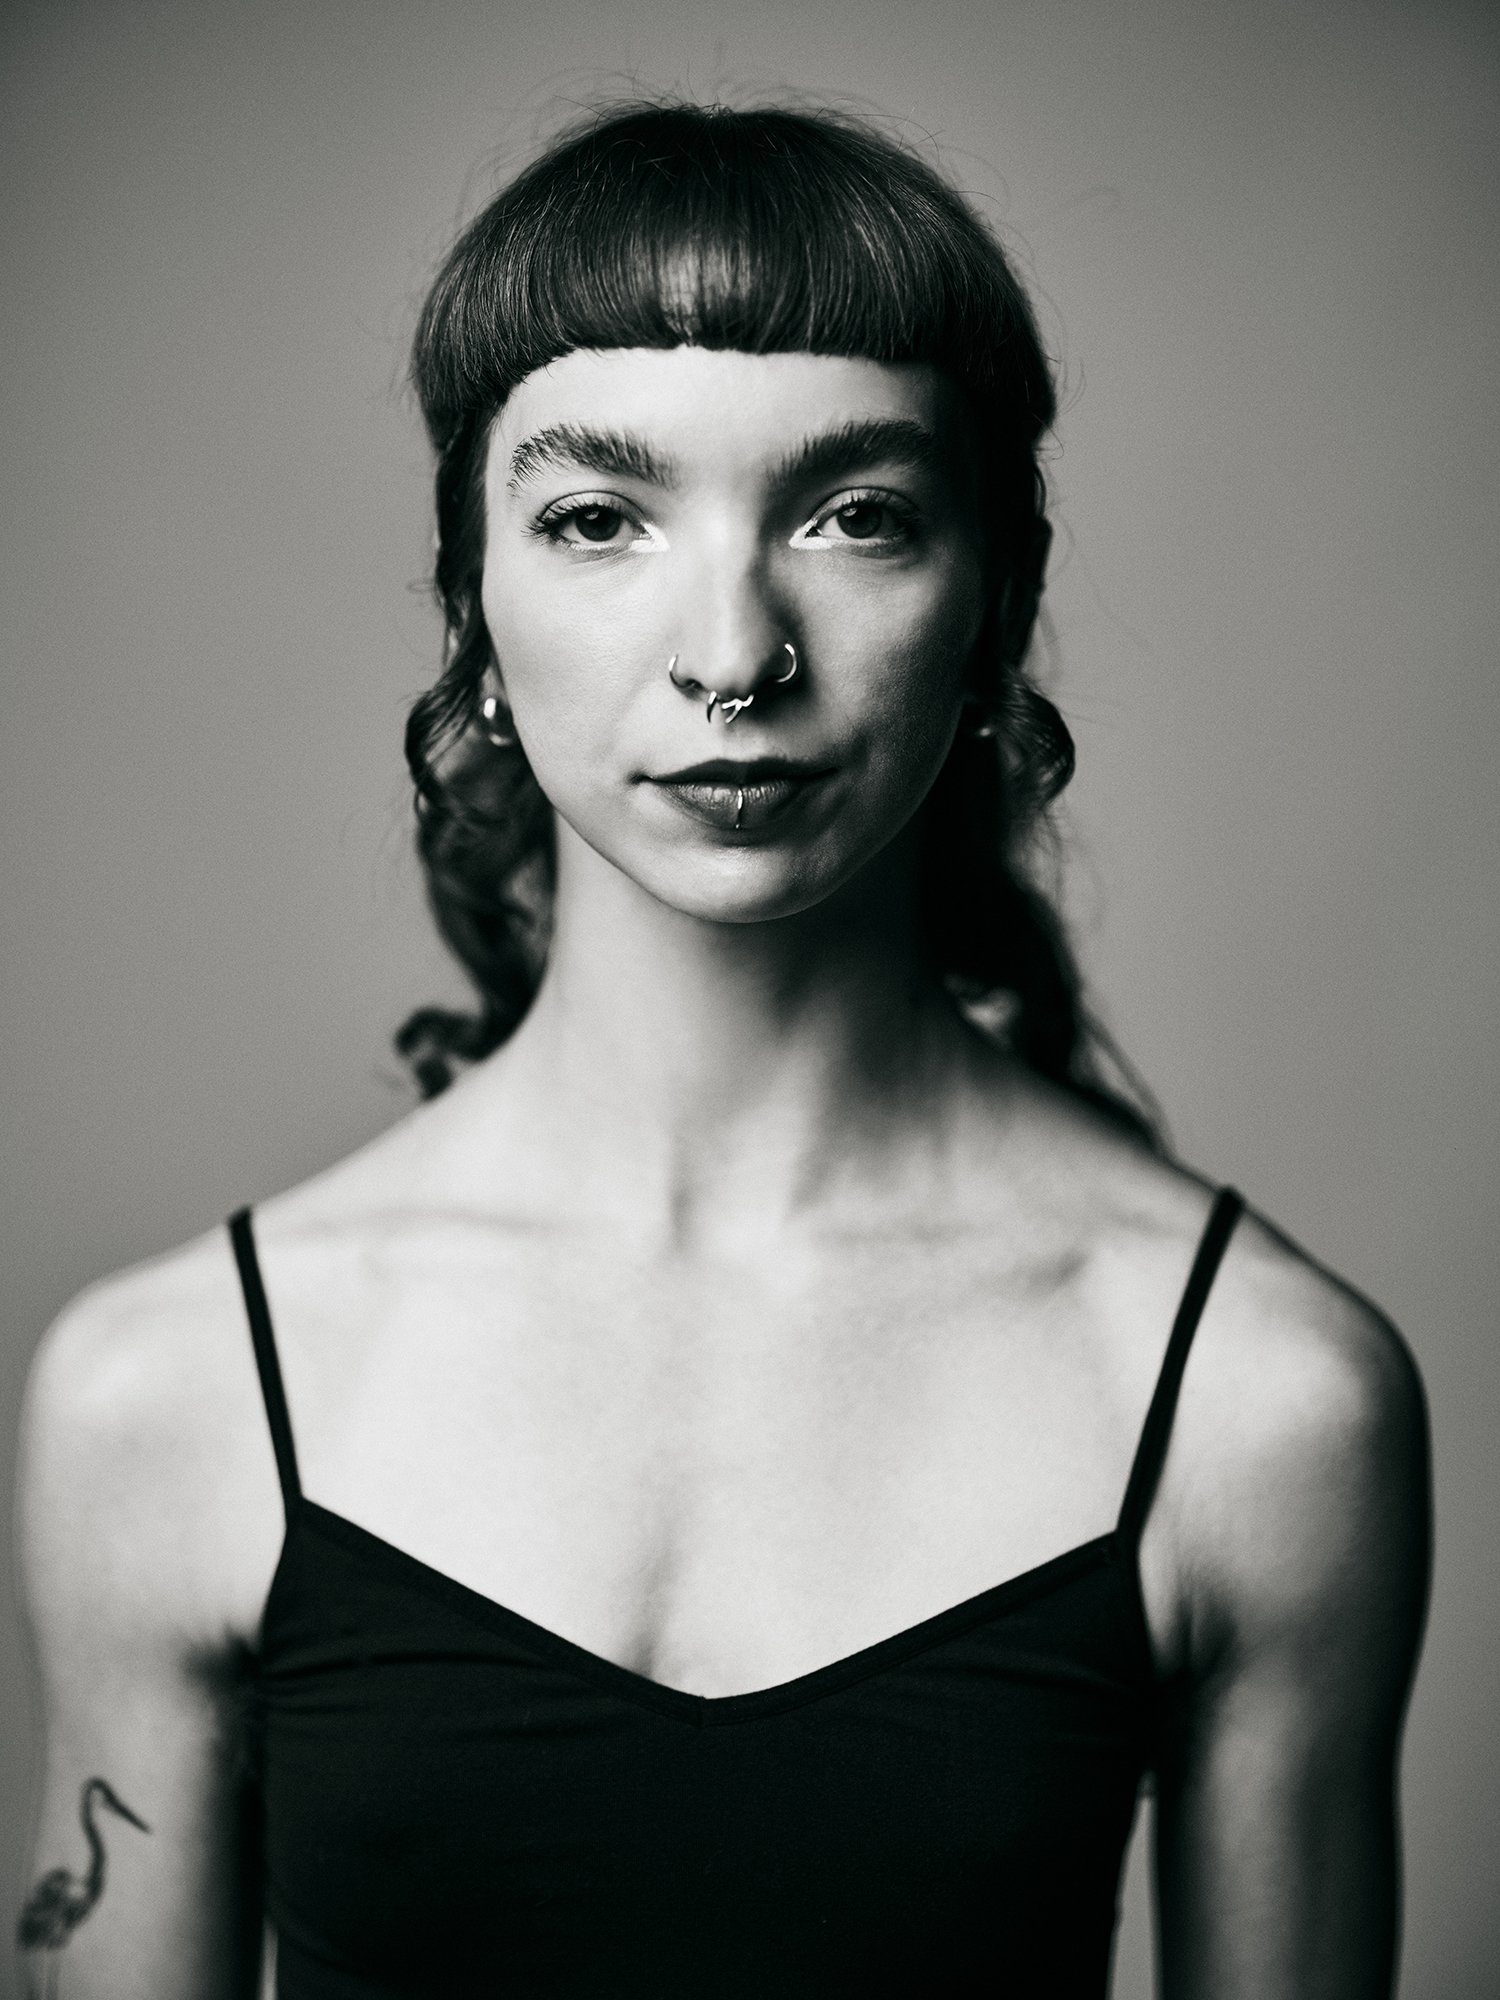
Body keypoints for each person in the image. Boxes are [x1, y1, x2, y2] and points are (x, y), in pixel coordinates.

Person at [15, 100, 1430, 1998]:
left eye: (857, 515)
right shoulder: (167, 1400)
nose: (733, 652)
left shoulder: (1263, 1402)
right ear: (474, 607)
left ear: (994, 595)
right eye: (601, 519)